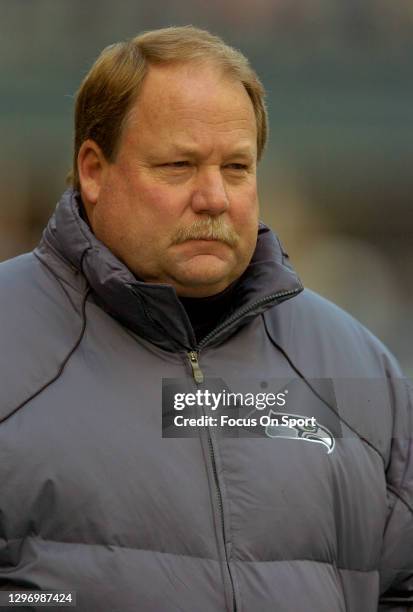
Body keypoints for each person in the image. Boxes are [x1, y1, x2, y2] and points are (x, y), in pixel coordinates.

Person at [0, 25, 412, 612]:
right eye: (179, 165)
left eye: (237, 168)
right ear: (93, 170)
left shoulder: (359, 367)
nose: (214, 197)